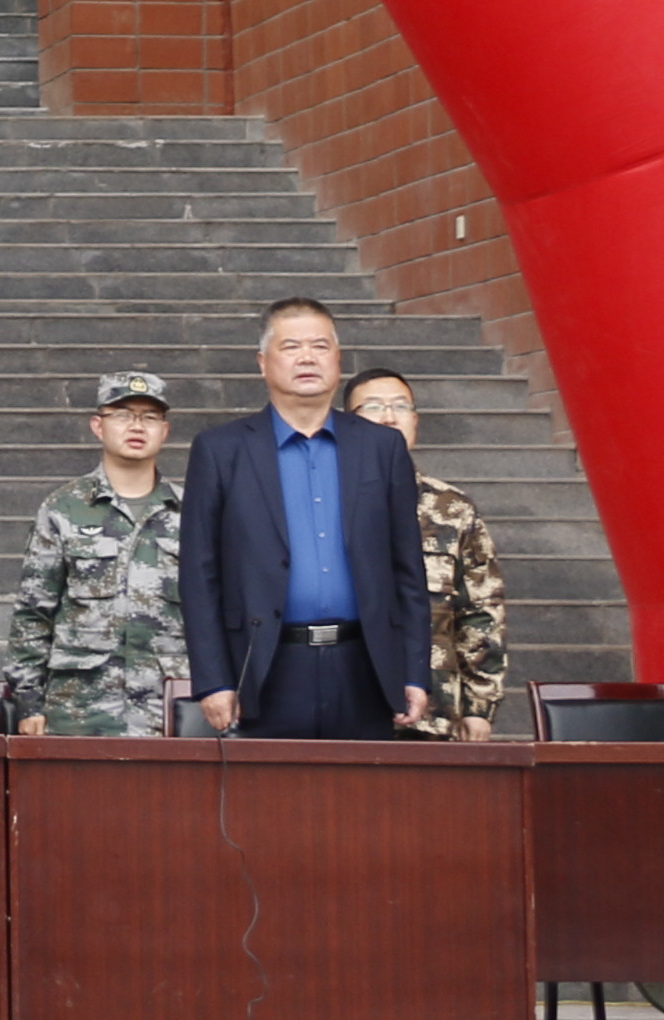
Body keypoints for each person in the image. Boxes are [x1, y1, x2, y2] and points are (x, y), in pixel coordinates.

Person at [177, 296, 434, 740]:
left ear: (338, 359)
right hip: (265, 665)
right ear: (263, 362)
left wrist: (413, 670)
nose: (307, 358)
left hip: (364, 665)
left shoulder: (381, 447)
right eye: (291, 346)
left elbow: (407, 569)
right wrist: (214, 679)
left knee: (362, 784)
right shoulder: (221, 450)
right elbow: (199, 576)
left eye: (319, 346)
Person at [0, 372, 187, 738]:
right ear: (98, 426)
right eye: (123, 415)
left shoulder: (191, 512)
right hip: (80, 711)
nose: (137, 426)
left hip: (167, 709)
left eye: (149, 417)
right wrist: (29, 701)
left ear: (165, 431)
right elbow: (33, 613)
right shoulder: (63, 508)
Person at [343, 364, 512, 741]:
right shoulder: (325, 502)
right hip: (344, 705)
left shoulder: (452, 510)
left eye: (400, 406)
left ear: (416, 421)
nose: (389, 417)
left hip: (434, 713)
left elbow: (481, 610)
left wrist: (479, 707)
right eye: (373, 407)